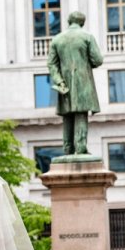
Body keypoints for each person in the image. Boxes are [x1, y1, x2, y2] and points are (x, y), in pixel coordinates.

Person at [46, 11, 104, 155]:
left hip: (64, 84)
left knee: (67, 116)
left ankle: (68, 149)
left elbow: (51, 64)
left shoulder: (57, 39)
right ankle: (81, 148)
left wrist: (59, 81)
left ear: (68, 21)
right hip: (83, 81)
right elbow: (98, 60)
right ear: (82, 22)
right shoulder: (87, 37)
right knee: (80, 114)